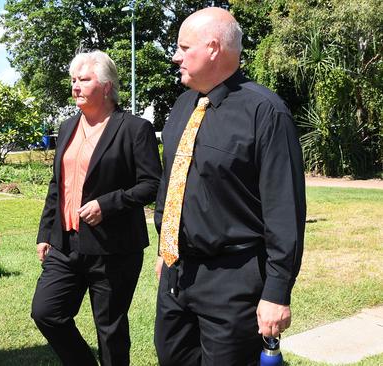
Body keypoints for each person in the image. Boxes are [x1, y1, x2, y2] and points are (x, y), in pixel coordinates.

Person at [153, 7, 306, 366]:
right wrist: (165, 247)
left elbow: (285, 211)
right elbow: (170, 180)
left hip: (234, 280)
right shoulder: (181, 106)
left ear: (212, 48)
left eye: (183, 47)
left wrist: (277, 292)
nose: (175, 56)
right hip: (177, 276)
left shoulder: (265, 112)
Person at [31, 50, 162, 365]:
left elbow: (152, 184)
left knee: (110, 328)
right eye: (73, 80)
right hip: (66, 242)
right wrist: (45, 232)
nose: (75, 86)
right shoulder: (67, 127)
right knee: (46, 312)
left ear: (106, 86)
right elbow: (57, 185)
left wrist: (108, 204)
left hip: (113, 247)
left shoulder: (133, 128)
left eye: (84, 80)